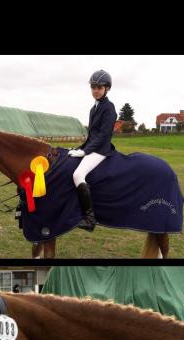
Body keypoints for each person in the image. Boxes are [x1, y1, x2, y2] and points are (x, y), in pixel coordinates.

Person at [68, 69, 117, 232]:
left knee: (77, 175)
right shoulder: (93, 108)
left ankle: (90, 219)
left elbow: (104, 135)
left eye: (99, 87)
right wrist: (80, 148)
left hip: (101, 150)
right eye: (93, 87)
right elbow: (91, 135)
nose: (95, 90)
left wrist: (85, 152)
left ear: (107, 89)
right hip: (93, 147)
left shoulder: (109, 108)